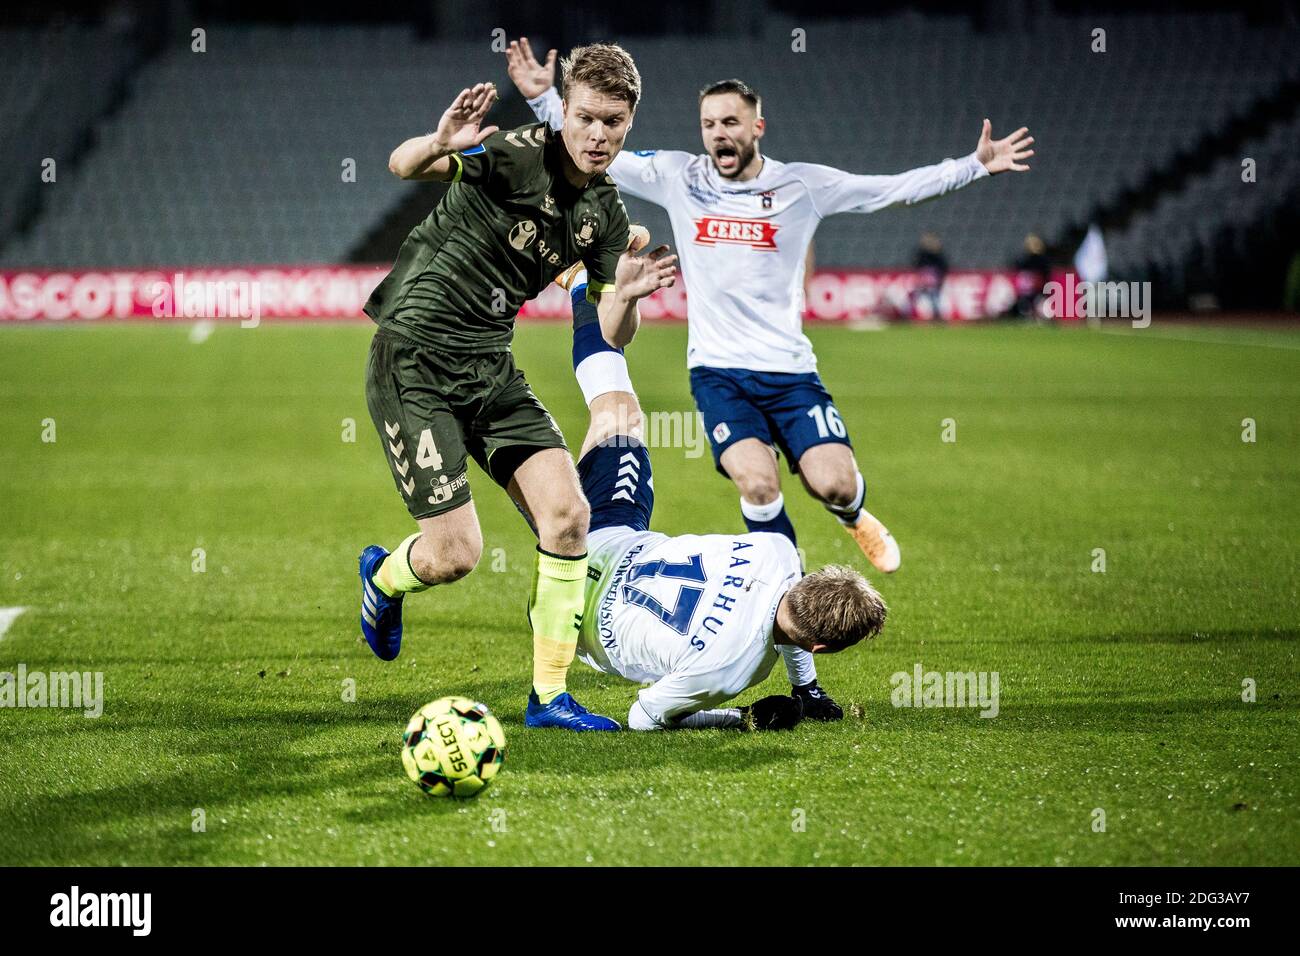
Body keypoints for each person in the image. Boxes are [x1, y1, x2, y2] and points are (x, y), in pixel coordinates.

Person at [507, 37, 1032, 716]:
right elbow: (588, 138)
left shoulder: (800, 185)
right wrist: (541, 97)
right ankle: (789, 606)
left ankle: (851, 514)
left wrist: (972, 167)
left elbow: (888, 193)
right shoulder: (677, 176)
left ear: (757, 126)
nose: (719, 134)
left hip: (790, 373)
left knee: (834, 482)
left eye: (731, 122)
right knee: (756, 481)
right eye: (708, 123)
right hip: (719, 372)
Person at [358, 45, 677, 732]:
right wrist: (439, 143)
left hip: (489, 367)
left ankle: (549, 698)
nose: (599, 135)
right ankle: (384, 579)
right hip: (414, 357)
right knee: (456, 556)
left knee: (569, 518)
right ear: (564, 111)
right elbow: (404, 164)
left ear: (629, 123)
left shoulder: (606, 215)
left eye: (614, 123)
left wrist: (631, 292)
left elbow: (611, 326)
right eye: (587, 118)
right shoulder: (515, 153)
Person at [559, 252, 888, 730]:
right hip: (575, 618)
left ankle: (578, 288)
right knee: (602, 435)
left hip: (606, 548)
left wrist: (802, 687)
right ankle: (580, 286)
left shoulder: (778, 554)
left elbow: (789, 599)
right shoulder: (732, 669)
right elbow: (643, 715)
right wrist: (742, 716)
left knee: (615, 417)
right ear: (818, 648)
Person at [911, 232, 949, 319]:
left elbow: (943, 267)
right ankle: (908, 315)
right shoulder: (922, 254)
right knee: (918, 297)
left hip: (934, 280)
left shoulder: (938, 255)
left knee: (934, 298)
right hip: (924, 279)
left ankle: (937, 315)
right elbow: (916, 264)